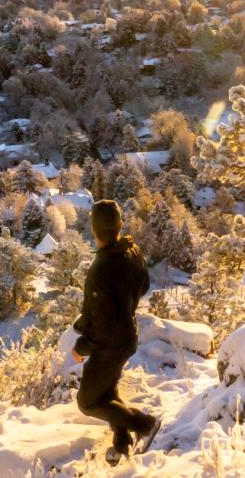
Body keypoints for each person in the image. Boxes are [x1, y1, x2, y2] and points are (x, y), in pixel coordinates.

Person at [72, 199, 159, 464]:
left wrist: (81, 348)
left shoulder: (100, 270)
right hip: (127, 336)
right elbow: (143, 286)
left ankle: (145, 425)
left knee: (88, 401)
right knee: (106, 391)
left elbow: (103, 329)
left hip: (111, 344)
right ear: (120, 225)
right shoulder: (132, 251)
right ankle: (122, 444)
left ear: (94, 229)